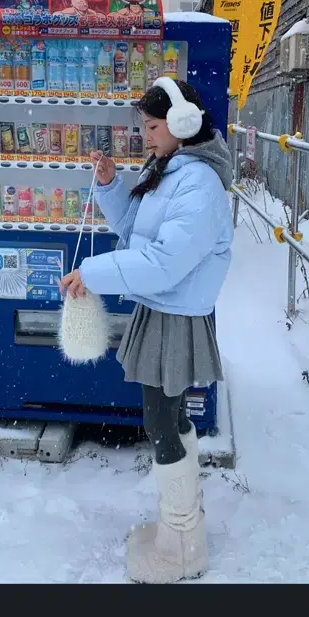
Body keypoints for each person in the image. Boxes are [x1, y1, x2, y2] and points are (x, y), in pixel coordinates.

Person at [60, 78, 234, 584]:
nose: (147, 137)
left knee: (161, 421)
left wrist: (92, 272)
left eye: (153, 127)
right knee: (170, 417)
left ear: (183, 124)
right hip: (163, 310)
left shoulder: (198, 185)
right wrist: (113, 185)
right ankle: (182, 530)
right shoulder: (170, 169)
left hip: (175, 315)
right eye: (145, 127)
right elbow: (135, 232)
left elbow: (162, 264)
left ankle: (181, 548)